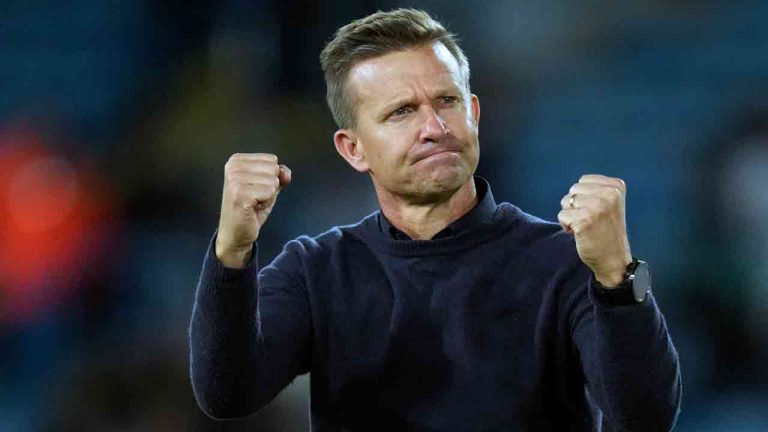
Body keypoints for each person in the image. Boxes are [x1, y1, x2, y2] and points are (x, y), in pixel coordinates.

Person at [189, 8, 681, 431]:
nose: (434, 127)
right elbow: (228, 394)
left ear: (474, 113)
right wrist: (231, 253)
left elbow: (645, 419)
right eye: (402, 112)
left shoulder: (565, 261)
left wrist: (618, 278)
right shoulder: (317, 272)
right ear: (354, 148)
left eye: (446, 101)